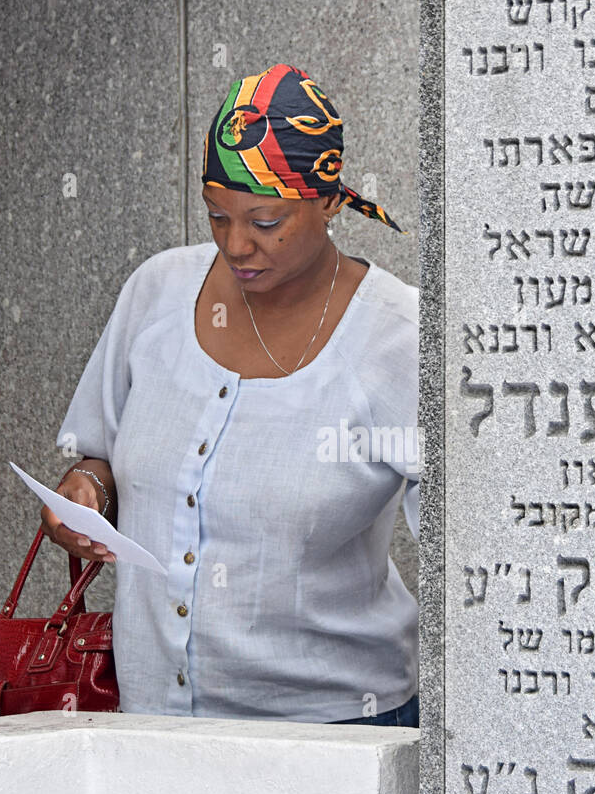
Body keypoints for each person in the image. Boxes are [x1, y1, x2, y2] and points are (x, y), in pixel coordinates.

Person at [40, 63, 420, 727]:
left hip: (336, 736)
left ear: (329, 201)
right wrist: (86, 495)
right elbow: (95, 456)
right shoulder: (157, 292)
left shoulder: (399, 336)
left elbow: (477, 560)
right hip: (153, 727)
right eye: (218, 215)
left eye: (266, 221)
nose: (237, 244)